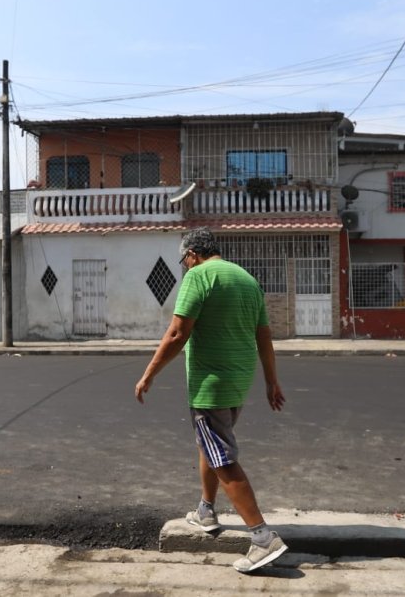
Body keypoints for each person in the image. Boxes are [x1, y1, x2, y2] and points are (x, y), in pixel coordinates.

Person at [134, 228, 288, 573]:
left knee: (222, 457)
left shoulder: (198, 276)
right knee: (210, 446)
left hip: (210, 384)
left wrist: (149, 374)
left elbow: (177, 332)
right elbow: (264, 335)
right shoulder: (246, 279)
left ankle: (263, 538)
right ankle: (206, 510)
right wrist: (271, 381)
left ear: (191, 254)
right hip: (238, 381)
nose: (185, 267)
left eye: (184, 262)